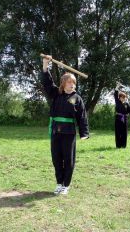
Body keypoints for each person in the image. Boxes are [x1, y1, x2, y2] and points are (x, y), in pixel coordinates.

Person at [40, 55, 89, 195]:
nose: (72, 85)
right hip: (56, 131)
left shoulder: (75, 98)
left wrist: (84, 133)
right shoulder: (56, 94)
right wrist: (45, 65)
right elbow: (47, 83)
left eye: (73, 83)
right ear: (63, 84)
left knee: (68, 160)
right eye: (69, 82)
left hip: (69, 133)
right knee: (56, 158)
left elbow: (82, 116)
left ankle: (66, 185)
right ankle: (59, 183)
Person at [114, 82, 130, 148]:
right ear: (119, 98)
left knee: (124, 132)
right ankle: (118, 145)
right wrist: (117, 86)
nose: (123, 98)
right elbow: (115, 93)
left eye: (124, 97)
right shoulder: (117, 102)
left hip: (125, 119)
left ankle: (123, 145)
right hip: (118, 119)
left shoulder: (126, 104)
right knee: (118, 132)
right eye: (121, 97)